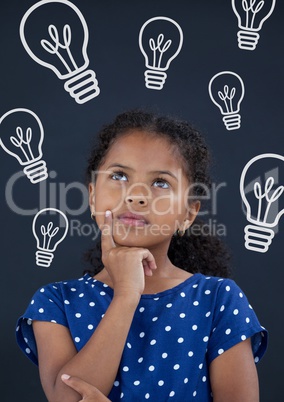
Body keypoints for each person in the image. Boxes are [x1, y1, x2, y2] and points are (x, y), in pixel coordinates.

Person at [16, 109, 268, 402]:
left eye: (160, 182)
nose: (136, 195)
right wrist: (126, 296)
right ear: (92, 196)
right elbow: (68, 399)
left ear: (189, 213)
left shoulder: (219, 300)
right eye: (119, 175)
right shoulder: (55, 303)